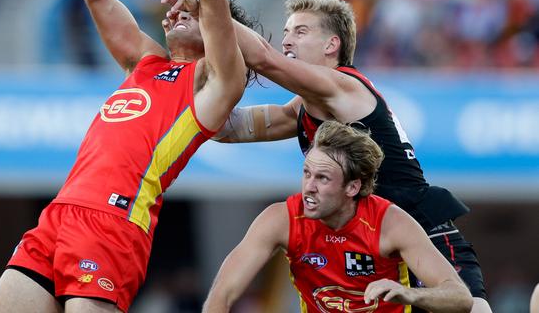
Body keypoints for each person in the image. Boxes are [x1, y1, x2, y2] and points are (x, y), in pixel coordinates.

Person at [0, 0, 248, 313]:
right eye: (167, 13)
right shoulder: (146, 63)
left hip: (115, 222)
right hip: (59, 215)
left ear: (215, 33)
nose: (170, 14)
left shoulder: (214, 84)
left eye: (183, 11)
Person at [147, 0, 491, 313]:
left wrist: (206, 7)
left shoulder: (343, 86)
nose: (286, 39)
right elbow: (225, 127)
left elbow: (264, 59)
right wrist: (193, 55)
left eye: (300, 31)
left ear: (332, 44)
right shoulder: (303, 107)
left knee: (473, 308)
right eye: (285, 30)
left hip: (422, 227)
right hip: (370, 243)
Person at [202, 120, 473, 313]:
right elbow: (222, 295)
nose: (308, 186)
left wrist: (410, 294)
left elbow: (460, 298)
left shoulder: (391, 224)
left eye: (322, 178)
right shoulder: (281, 220)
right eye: (307, 173)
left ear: (352, 187)